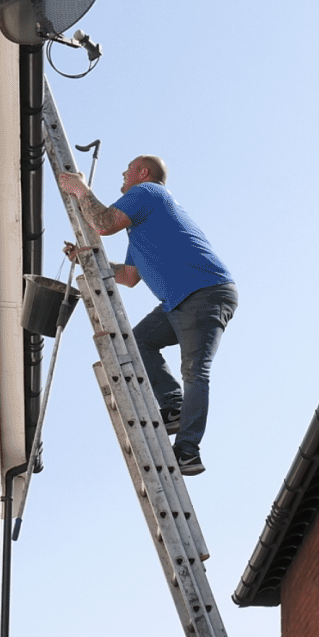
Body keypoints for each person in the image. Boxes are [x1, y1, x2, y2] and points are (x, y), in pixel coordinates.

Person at [58, 155, 236, 475]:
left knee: (195, 370)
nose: (123, 173)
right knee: (139, 342)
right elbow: (128, 276)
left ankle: (187, 450)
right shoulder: (142, 223)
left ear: (143, 173)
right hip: (179, 301)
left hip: (203, 293)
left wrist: (81, 191)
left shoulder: (147, 193)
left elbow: (104, 223)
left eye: (128, 168)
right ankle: (174, 407)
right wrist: (87, 260)